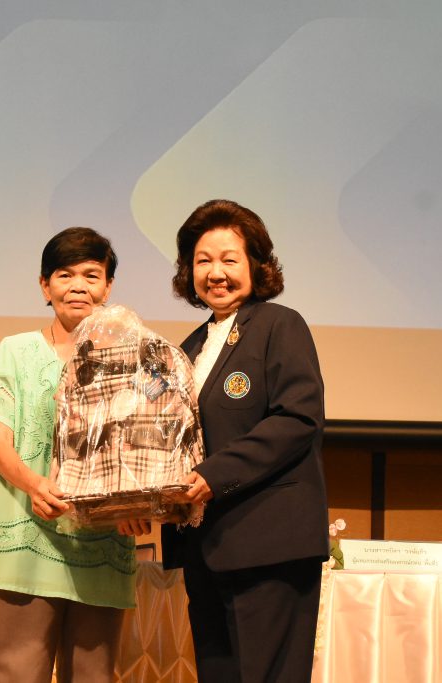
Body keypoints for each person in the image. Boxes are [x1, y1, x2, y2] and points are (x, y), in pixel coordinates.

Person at [160, 199, 330, 682]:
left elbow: (297, 419)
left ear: (256, 265)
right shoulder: (189, 348)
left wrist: (212, 477)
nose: (215, 273)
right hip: (205, 547)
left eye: (229, 260)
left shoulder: (280, 325)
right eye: (202, 261)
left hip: (268, 545)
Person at [0, 227, 137, 683]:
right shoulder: (15, 350)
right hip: (27, 532)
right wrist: (34, 484)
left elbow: (144, 450)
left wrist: (135, 505)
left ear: (108, 287)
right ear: (45, 286)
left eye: (91, 275)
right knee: (18, 671)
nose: (78, 286)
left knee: (93, 675)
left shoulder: (132, 357)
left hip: (101, 540)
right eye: (64, 275)